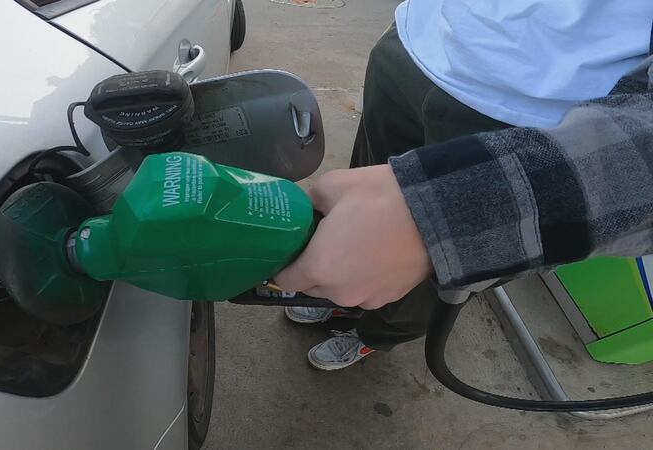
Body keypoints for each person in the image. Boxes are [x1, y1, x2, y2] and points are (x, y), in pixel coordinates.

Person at [274, 1, 653, 370]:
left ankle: (377, 335)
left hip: (537, 111)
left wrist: (447, 212)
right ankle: (342, 300)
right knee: (355, 210)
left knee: (435, 275)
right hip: (416, 42)